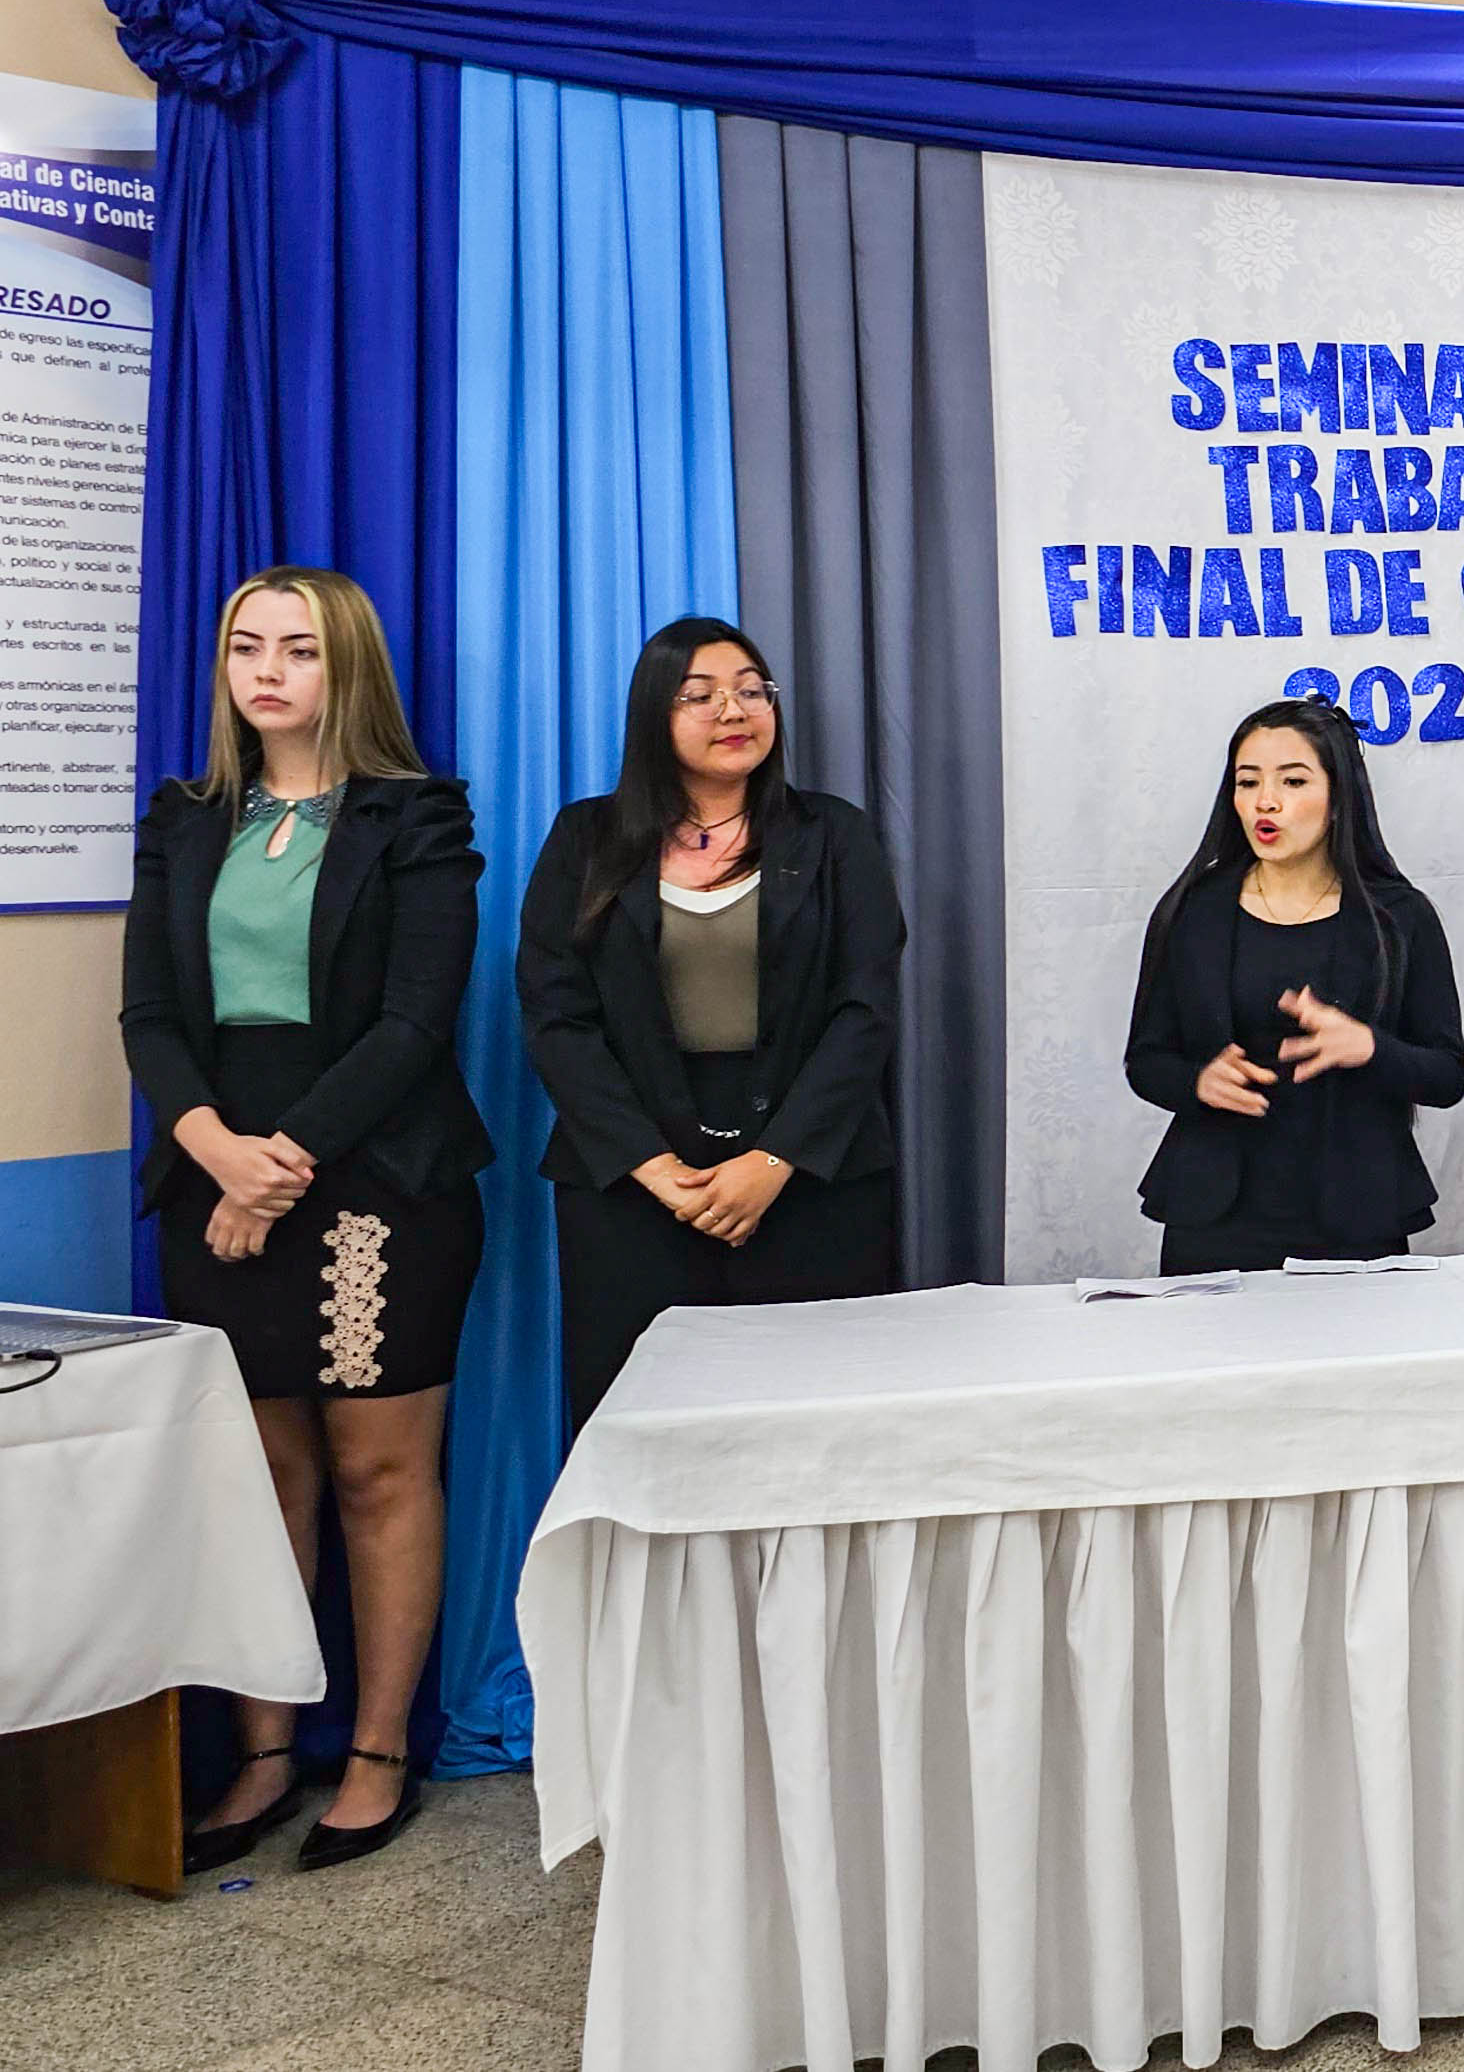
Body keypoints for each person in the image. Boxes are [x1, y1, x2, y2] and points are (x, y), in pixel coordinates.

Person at [122, 568, 492, 1873]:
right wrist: (218, 1153)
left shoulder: (418, 819)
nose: (268, 670)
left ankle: (379, 1750)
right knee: (262, 1477)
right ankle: (267, 1750)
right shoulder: (183, 819)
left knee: (376, 1473)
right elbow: (149, 1017)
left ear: (347, 668)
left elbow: (415, 1022)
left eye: (299, 648)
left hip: (378, 1174)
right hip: (214, 1174)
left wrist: (277, 1164)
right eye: (246, 646)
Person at [520, 617, 903, 1431]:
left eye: (752, 691)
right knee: (645, 1434)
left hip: (811, 1174)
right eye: (700, 696)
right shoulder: (587, 838)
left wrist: (773, 1162)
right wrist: (657, 1170)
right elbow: (557, 1017)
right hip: (632, 1183)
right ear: (652, 714)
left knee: (814, 1430)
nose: (734, 710)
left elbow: (866, 1011)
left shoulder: (833, 834)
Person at [1124, 700, 1464, 1269]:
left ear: (1339, 797)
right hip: (1213, 1215)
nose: (1266, 801)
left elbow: (1448, 1075)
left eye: (1293, 781)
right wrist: (1197, 1081)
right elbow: (1146, 1060)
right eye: (1248, 782)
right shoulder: (1195, 909)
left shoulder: (1399, 916)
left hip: (1356, 1212)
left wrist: (1369, 1047)